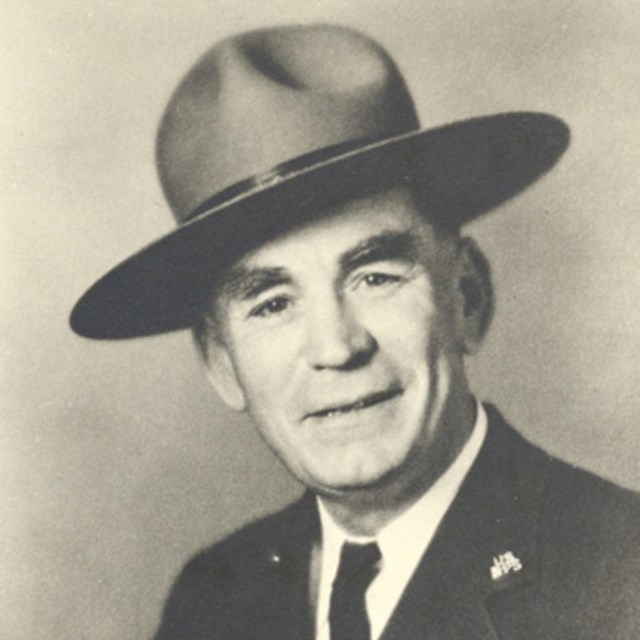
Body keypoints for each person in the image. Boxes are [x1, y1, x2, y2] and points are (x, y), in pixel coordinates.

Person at [70, 23, 640, 640]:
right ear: (222, 365)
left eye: (375, 276)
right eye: (271, 304)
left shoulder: (619, 569)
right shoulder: (215, 601)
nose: (337, 348)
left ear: (467, 297)